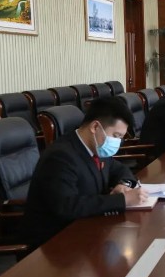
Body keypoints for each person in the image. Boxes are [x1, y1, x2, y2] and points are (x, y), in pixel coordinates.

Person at [22, 97, 149, 249]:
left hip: (88, 230)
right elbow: (67, 206)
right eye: (116, 136)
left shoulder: (96, 148)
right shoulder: (60, 156)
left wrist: (123, 184)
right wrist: (122, 200)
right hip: (55, 245)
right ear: (95, 127)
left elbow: (120, 169)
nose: (118, 143)